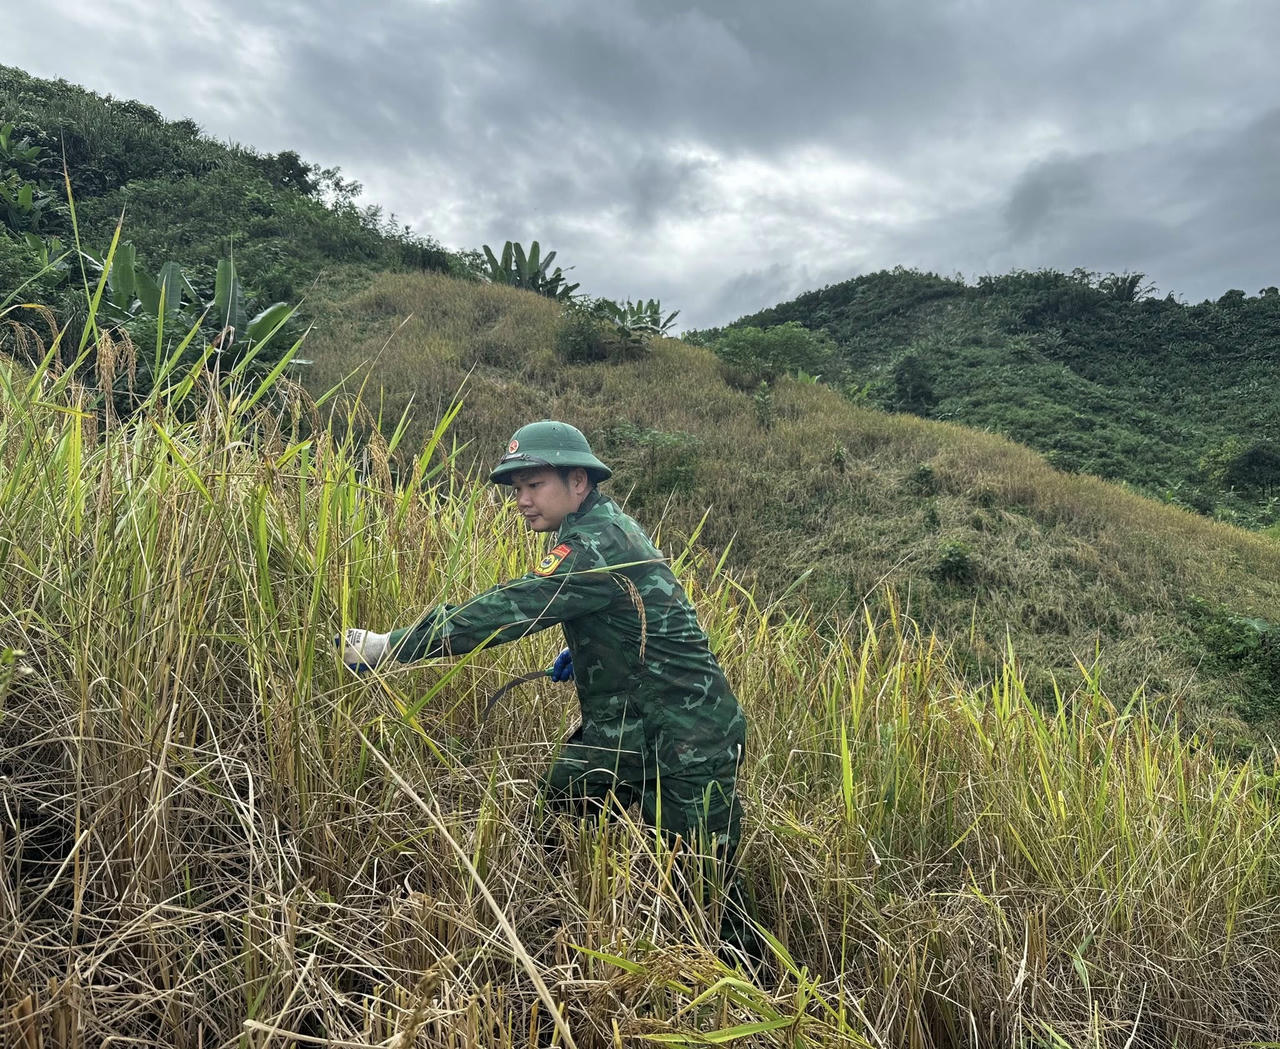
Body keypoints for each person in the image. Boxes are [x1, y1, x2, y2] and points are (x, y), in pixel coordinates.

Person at [340, 420, 752, 942]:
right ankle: (552, 921)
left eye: (534, 485)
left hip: (689, 739)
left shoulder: (592, 547)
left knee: (708, 901)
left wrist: (389, 646)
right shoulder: (601, 528)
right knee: (555, 806)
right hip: (625, 730)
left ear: (578, 482)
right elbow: (644, 607)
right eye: (517, 489)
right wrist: (595, 648)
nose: (522, 500)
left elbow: (508, 610)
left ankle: (762, 1000)